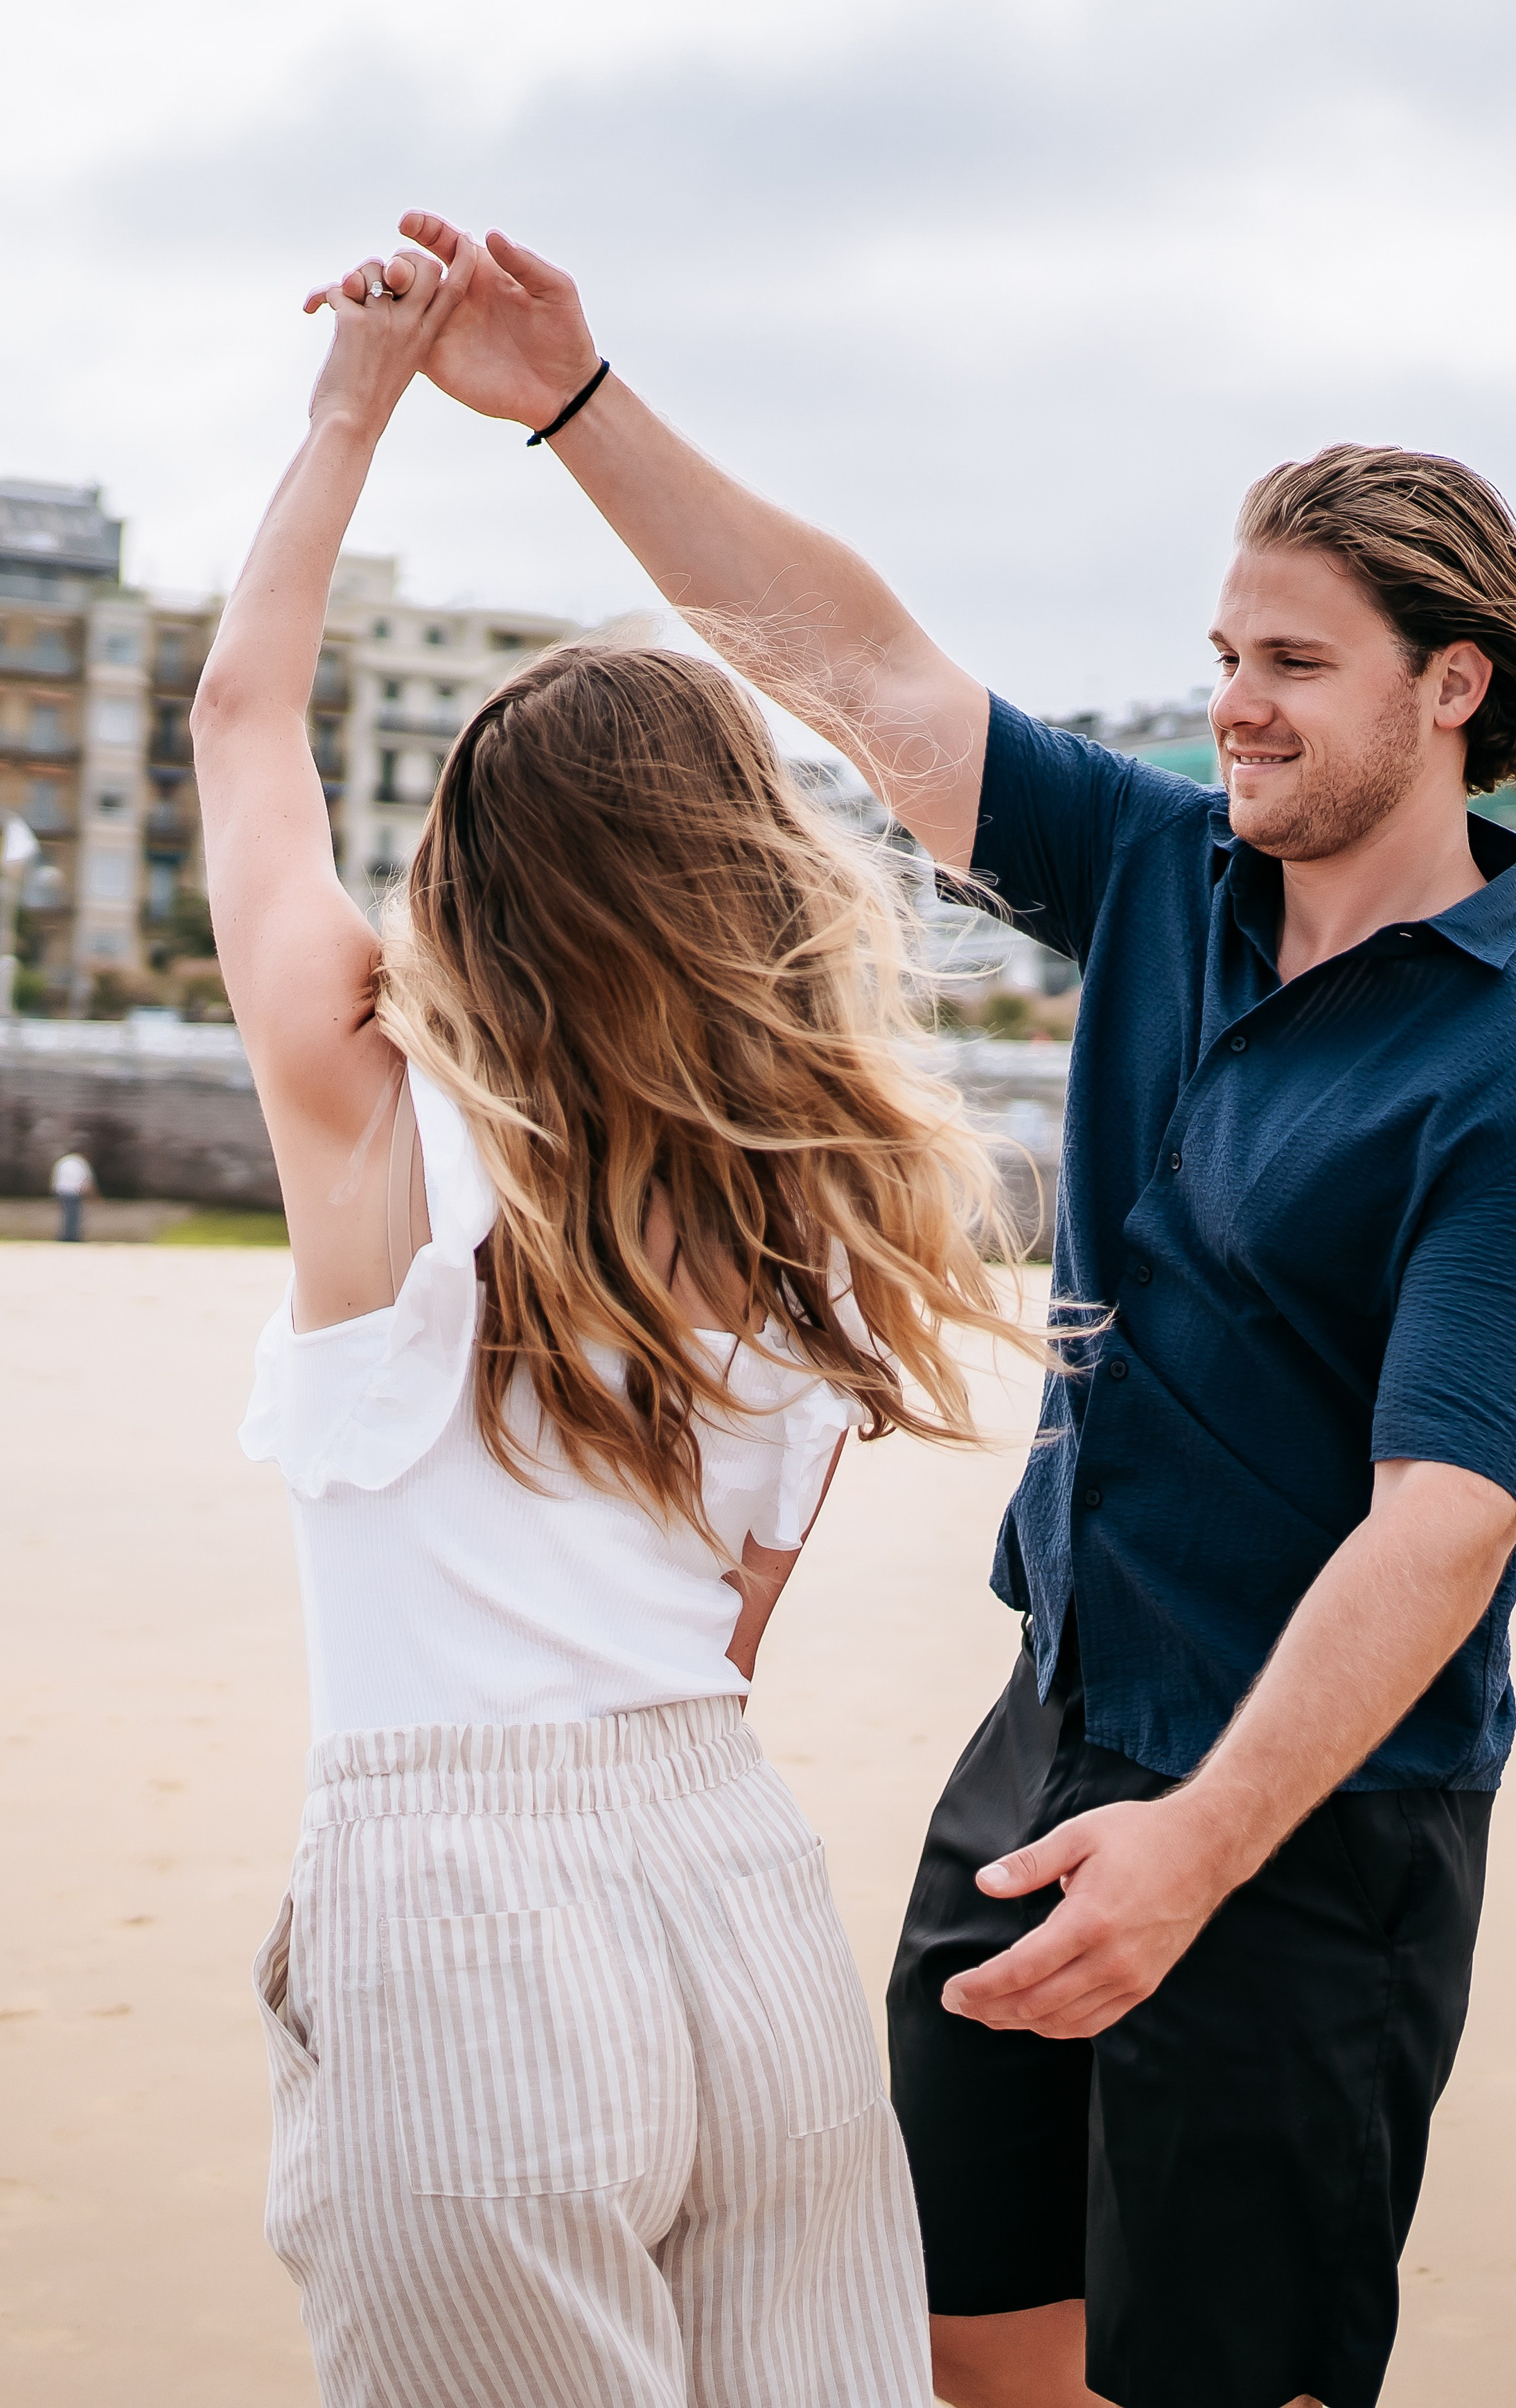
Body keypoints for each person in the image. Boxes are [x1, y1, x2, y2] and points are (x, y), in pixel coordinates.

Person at [392, 207, 1516, 2408]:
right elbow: (861, 671)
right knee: (960, 2329)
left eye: (1293, 661)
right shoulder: (1168, 874)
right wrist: (575, 404)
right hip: (1052, 1730)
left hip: (1308, 1825)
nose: (1233, 703)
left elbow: (1444, 1528)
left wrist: (1196, 1855)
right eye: (1224, 651)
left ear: (1451, 686)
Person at [194, 236, 1033, 2408]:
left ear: (470, 877)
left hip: (462, 1920)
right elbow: (726, 1643)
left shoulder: (379, 1132)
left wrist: (353, 408)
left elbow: (242, 722)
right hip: (737, 1896)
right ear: (751, 877)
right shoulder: (814, 1228)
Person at [49, 1147, 95, 1243]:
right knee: (74, 1216)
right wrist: (93, 1196)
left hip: (61, 1191)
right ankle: (71, 1237)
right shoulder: (80, 1162)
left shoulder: (63, 1161)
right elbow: (86, 1180)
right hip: (74, 1191)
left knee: (66, 1215)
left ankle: (65, 1236)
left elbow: (55, 1178)